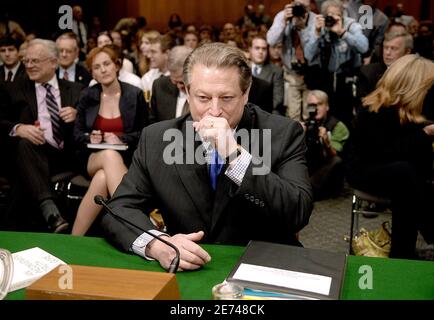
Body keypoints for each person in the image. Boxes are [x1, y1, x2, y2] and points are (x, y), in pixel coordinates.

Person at [101, 43, 313, 271]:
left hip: (265, 270)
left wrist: (236, 155)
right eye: (203, 98)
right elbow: (119, 210)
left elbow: (297, 212)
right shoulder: (156, 139)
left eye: (226, 98)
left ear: (246, 93)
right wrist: (158, 244)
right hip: (188, 271)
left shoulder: (284, 133)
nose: (214, 110)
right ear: (187, 92)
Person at [349, 54, 434, 259]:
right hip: (368, 169)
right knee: (404, 175)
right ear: (413, 85)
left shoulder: (419, 108)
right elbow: (383, 154)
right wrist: (425, 134)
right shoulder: (373, 109)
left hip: (405, 175)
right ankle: (413, 245)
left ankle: (403, 253)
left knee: (409, 183)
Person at [5, 39, 83, 232]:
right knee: (24, 143)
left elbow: (92, 122)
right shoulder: (14, 89)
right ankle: (50, 211)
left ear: (53, 62)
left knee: (18, 192)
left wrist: (77, 115)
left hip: (66, 157)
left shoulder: (75, 90)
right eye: (26, 61)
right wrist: (18, 127)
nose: (29, 66)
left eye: (35, 61)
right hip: (32, 153)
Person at [71, 46, 148, 236]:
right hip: (92, 158)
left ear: (117, 65)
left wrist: (120, 138)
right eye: (96, 67)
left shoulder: (134, 94)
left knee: (102, 179)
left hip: (127, 160)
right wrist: (91, 137)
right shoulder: (87, 95)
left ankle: (74, 238)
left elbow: (145, 133)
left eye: (106, 64)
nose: (103, 70)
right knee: (109, 154)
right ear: (92, 73)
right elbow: (77, 134)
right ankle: (133, 218)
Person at [304, 0, 368, 128]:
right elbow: (309, 55)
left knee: (346, 117)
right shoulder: (320, 27)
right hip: (326, 78)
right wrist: (316, 33)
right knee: (324, 118)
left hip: (346, 79)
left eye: (337, 15)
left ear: (342, 15)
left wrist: (342, 33)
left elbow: (364, 47)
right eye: (330, 15)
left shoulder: (351, 25)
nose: (333, 18)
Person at [266, 0, 317, 121]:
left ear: (310, 4)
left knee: (310, 114)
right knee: (293, 115)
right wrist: (283, 21)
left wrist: (303, 28)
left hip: (312, 74)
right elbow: (271, 40)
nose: (300, 8)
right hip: (291, 73)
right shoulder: (283, 16)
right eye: (298, 5)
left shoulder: (315, 20)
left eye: (304, 6)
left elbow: (313, 53)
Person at [303, 90, 349, 199]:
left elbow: (335, 155)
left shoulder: (338, 126)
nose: (316, 109)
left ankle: (307, 189)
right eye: (312, 105)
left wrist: (326, 141)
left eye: (319, 104)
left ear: (327, 106)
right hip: (312, 166)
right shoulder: (306, 124)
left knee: (336, 161)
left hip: (327, 168)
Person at [357, 30, 413, 102]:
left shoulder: (417, 73)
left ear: (407, 52)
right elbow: (363, 106)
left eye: (393, 48)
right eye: (385, 48)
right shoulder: (368, 73)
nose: (387, 53)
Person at [150, 46, 193, 123]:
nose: (179, 86)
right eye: (175, 81)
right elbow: (152, 123)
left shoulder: (207, 88)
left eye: (182, 82)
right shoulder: (159, 86)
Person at [248, 35, 284, 115]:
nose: (261, 52)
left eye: (264, 49)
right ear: (250, 50)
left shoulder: (276, 71)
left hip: (266, 114)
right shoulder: (242, 69)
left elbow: (277, 101)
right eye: (257, 48)